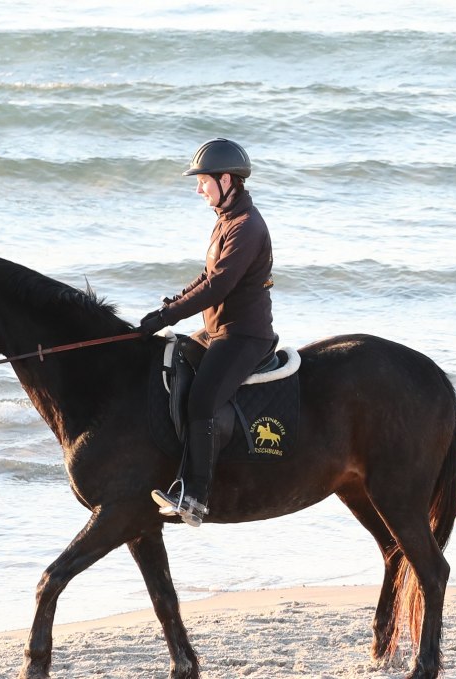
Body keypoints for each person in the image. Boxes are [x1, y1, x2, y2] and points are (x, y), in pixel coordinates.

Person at [137, 138, 278, 527]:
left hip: (243, 336)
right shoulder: (226, 220)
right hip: (216, 331)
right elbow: (207, 276)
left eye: (202, 181)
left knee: (202, 400)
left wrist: (169, 317)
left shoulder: (247, 227)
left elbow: (218, 288)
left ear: (226, 179)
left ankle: (196, 496)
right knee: (170, 363)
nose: (198, 188)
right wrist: (168, 307)